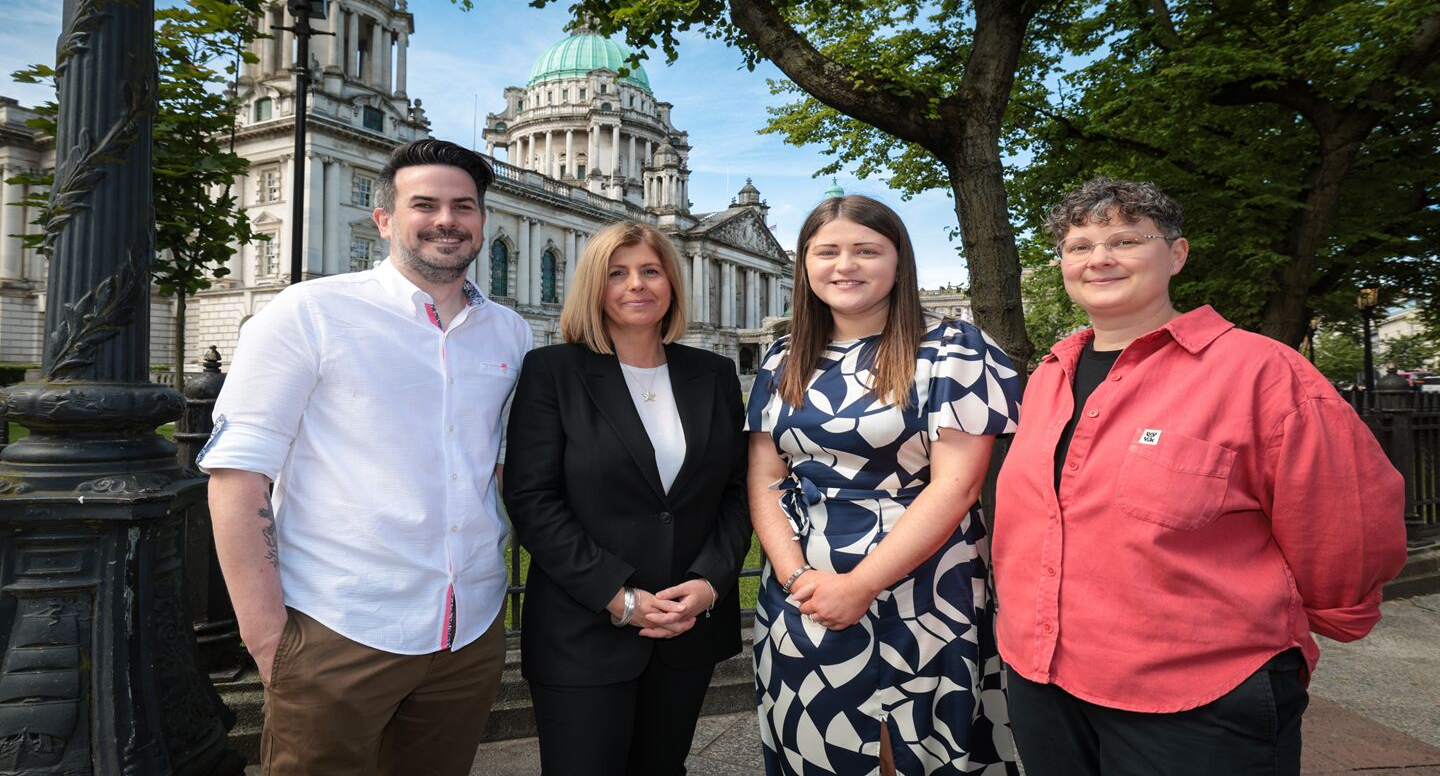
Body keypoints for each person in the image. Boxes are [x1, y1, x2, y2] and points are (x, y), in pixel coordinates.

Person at [993, 177, 1408, 776]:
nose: (1098, 259)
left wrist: (1327, 617)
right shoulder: (1048, 376)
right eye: (1078, 246)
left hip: (1198, 694)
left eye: (1125, 239)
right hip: (1043, 679)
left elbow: (1343, 522)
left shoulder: (1260, 372)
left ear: (1177, 255)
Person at [201, 139, 531, 775]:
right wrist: (268, 639)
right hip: (341, 624)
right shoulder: (310, 312)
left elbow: (497, 467)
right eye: (425, 204)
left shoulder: (509, 331)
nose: (447, 220)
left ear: (481, 222)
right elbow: (238, 478)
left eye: (464, 206)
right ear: (385, 220)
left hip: (470, 629)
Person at [747, 195, 1022, 776]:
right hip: (804, 587)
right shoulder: (782, 356)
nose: (845, 265)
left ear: (899, 261)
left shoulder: (954, 347)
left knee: (916, 748)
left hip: (923, 583)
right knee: (818, 745)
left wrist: (863, 583)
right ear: (804, 265)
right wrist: (797, 576)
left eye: (866, 250)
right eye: (827, 252)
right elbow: (767, 475)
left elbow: (956, 486)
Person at [502, 221, 752, 776]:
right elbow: (533, 499)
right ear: (595, 286)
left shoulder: (712, 374)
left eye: (650, 271)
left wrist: (711, 582)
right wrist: (619, 596)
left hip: (688, 627)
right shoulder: (553, 371)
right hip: (583, 627)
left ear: (671, 283)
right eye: (617, 273)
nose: (636, 285)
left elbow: (737, 493)